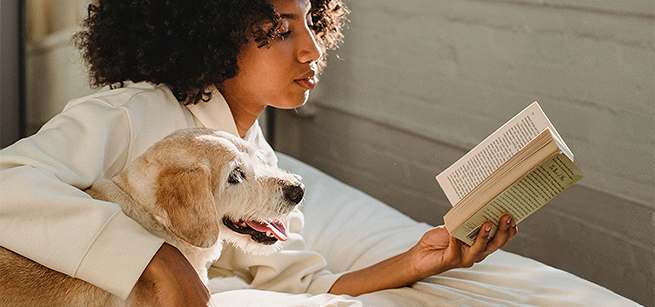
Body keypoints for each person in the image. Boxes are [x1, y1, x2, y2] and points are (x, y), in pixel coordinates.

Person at [0, 0, 517, 305]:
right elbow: (10, 184)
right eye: (282, 30)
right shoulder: (131, 112)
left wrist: (418, 263)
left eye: (312, 23)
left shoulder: (257, 159)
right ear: (214, 35)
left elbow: (304, 281)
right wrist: (154, 258)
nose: (312, 49)